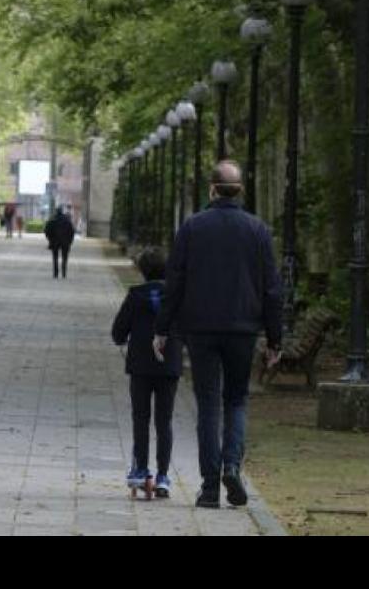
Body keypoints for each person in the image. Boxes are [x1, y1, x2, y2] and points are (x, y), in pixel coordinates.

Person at [154, 161, 282, 509]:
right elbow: (272, 288)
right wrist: (274, 339)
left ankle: (210, 487)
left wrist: (162, 328)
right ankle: (231, 465)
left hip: (200, 327)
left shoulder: (193, 227)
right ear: (240, 191)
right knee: (237, 400)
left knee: (208, 403)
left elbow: (175, 281)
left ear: (212, 189)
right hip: (243, 328)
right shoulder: (257, 230)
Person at [112, 248, 180, 499]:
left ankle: (140, 469)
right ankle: (163, 477)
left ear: (141, 270)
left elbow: (118, 332)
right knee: (165, 421)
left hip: (140, 366)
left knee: (140, 418)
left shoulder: (135, 296)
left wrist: (125, 337)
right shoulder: (175, 296)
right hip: (169, 365)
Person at [43, 205, 76, 278]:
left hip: (55, 242)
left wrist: (50, 239)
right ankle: (64, 273)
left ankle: (55, 273)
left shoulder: (52, 220)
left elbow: (46, 231)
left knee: (55, 258)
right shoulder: (67, 221)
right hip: (65, 242)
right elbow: (72, 232)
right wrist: (70, 241)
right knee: (65, 258)